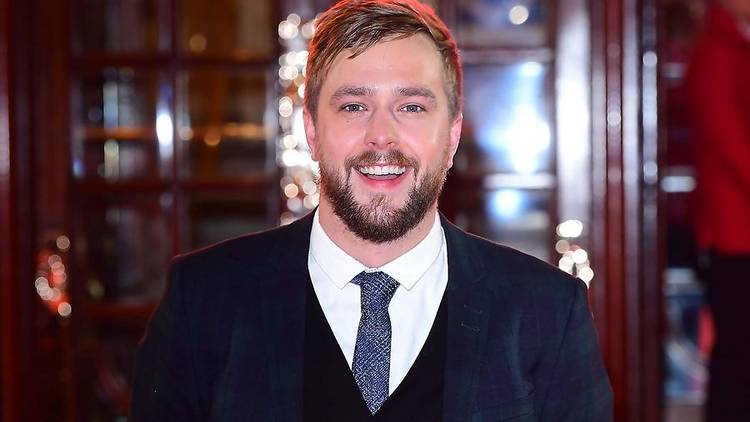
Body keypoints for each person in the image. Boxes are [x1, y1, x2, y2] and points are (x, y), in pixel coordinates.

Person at [130, 1, 612, 420]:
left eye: (412, 108)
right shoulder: (205, 300)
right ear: (312, 131)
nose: (381, 136)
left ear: (453, 135)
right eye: (354, 106)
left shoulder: (548, 311)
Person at [686, 0, 750, 420]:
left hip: (736, 226)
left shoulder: (731, 44)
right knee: (737, 356)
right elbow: (732, 146)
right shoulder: (716, 49)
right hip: (734, 231)